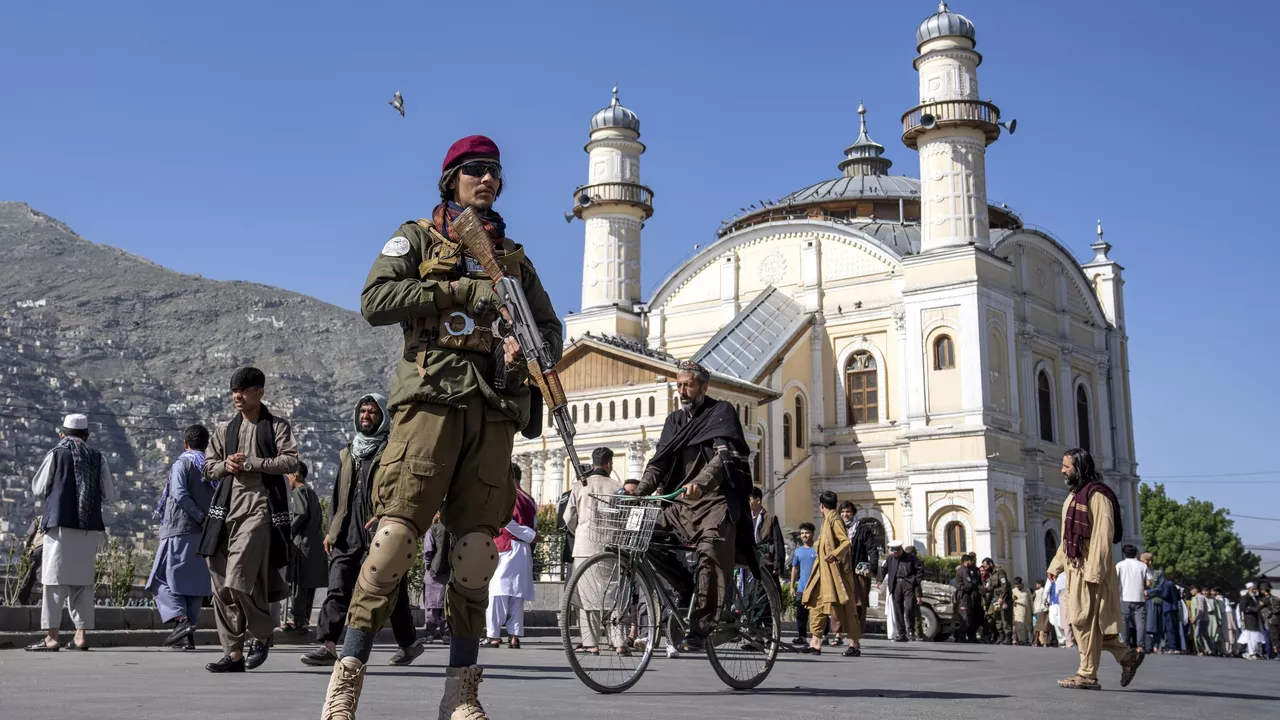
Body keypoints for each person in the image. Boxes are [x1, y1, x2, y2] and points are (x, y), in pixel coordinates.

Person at [320, 134, 561, 720]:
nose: (488, 180)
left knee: (477, 551)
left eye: (496, 173)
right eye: (475, 170)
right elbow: (375, 299)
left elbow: (551, 333)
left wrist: (521, 352)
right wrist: (459, 289)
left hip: (493, 409)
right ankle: (345, 682)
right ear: (450, 178)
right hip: (430, 401)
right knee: (395, 539)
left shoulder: (516, 261)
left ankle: (461, 693)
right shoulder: (419, 238)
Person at [631, 360, 753, 653]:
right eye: (679, 385)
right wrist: (640, 491)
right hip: (679, 505)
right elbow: (659, 463)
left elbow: (723, 458)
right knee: (642, 537)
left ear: (703, 387)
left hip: (715, 502)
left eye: (688, 385)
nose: (682, 391)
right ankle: (686, 588)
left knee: (710, 551)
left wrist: (701, 481)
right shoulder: (674, 421)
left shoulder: (720, 412)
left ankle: (701, 626)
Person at [302, 393, 423, 668]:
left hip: (380, 534)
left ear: (382, 418)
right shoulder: (349, 452)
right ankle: (328, 645)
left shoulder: (391, 452)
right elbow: (337, 496)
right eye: (363, 411)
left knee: (393, 594)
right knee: (338, 587)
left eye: (372, 412)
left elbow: (400, 490)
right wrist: (331, 531)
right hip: (346, 534)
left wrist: (385, 516)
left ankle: (409, 644)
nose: (366, 416)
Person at [200, 367, 300, 673]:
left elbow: (291, 460)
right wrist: (225, 466)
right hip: (225, 512)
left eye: (243, 391)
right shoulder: (223, 432)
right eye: (234, 391)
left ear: (260, 392)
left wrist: (255, 463)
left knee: (239, 578)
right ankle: (233, 653)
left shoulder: (277, 427)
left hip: (259, 509)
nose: (237, 397)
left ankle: (263, 632)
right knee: (221, 584)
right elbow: (207, 468)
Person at [1046, 447, 1143, 690]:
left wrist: (1094, 571)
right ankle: (1126, 657)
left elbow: (1102, 535)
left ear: (1079, 468)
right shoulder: (1073, 496)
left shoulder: (1097, 495)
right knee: (1088, 622)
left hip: (1090, 568)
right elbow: (1067, 539)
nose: (1062, 470)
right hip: (1074, 567)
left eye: (1066, 466)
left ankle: (1087, 674)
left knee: (1083, 620)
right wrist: (1056, 565)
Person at [25, 413, 116, 652]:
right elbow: (109, 494)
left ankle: (52, 636)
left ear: (61, 434)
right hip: (88, 530)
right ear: (87, 435)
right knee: (82, 584)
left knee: (54, 582)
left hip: (60, 528)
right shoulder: (97, 457)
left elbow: (38, 488)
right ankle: (80, 636)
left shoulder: (56, 453)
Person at [147, 424, 216, 651]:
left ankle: (181, 621)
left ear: (185, 443)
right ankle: (187, 637)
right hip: (203, 535)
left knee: (160, 579)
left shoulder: (183, 463)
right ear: (206, 445)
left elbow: (178, 493)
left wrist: (197, 516)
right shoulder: (210, 468)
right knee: (192, 585)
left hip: (179, 529)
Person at [564, 447, 623, 654]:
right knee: (613, 594)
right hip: (610, 545)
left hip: (584, 546)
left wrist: (579, 530)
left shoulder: (580, 485)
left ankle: (591, 643)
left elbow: (568, 518)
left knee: (587, 596)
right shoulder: (617, 487)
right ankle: (619, 642)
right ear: (608, 464)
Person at [485, 464, 537, 649]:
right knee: (516, 595)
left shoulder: (505, 497)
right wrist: (531, 538)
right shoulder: (529, 499)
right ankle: (514, 635)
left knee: (497, 593)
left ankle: (494, 635)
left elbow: (505, 520)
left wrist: (528, 534)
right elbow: (535, 523)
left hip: (506, 546)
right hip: (524, 550)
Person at [801, 491, 859, 657]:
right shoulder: (827, 521)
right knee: (816, 604)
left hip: (837, 574)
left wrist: (835, 554)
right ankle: (815, 643)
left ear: (821, 506)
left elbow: (846, 542)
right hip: (822, 573)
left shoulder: (835, 520)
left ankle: (854, 645)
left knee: (846, 608)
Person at [285, 462, 328, 632]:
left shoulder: (299, 492)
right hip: (314, 545)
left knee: (298, 584)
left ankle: (297, 620)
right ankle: (303, 621)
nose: (287, 479)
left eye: (288, 475)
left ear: (295, 475)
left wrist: (288, 531)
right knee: (309, 586)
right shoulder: (311, 492)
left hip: (302, 545)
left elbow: (300, 514)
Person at [844, 502, 879, 651]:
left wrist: (872, 567)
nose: (845, 515)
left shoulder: (863, 530)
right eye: (843, 512)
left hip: (858, 574)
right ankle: (850, 639)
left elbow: (872, 549)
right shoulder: (837, 529)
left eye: (848, 512)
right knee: (845, 608)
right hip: (843, 574)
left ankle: (854, 642)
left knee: (857, 607)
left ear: (853, 513)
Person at [881, 540, 923, 643]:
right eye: (893, 552)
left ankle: (911, 631)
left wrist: (914, 581)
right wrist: (879, 580)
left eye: (897, 552)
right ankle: (901, 633)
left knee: (909, 608)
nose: (895, 554)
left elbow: (920, 571)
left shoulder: (911, 558)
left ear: (901, 549)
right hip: (895, 585)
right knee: (897, 610)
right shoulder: (890, 559)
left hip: (907, 584)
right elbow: (883, 570)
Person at [421, 515, 452, 644]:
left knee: (431, 605)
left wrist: (427, 565)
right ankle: (446, 634)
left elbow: (428, 550)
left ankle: (429, 633)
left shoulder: (432, 530)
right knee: (445, 605)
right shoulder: (453, 530)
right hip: (448, 571)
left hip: (433, 572)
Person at [1114, 544, 1149, 652]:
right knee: (1140, 622)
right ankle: (1140, 646)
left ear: (1124, 553)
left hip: (1124, 596)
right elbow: (1148, 582)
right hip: (1139, 597)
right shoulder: (1142, 566)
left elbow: (1115, 580)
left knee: (1124, 621)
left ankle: (1124, 644)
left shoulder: (1120, 565)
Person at [788, 523, 817, 646]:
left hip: (816, 588)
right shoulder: (798, 551)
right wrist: (792, 586)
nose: (804, 535)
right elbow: (794, 568)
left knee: (818, 614)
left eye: (807, 532)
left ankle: (821, 636)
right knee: (801, 615)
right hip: (802, 588)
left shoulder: (817, 549)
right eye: (802, 533)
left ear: (812, 534)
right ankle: (802, 636)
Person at [750, 487, 787, 580]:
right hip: (750, 565)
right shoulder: (747, 519)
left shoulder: (770, 518)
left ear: (758, 500)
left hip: (767, 564)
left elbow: (778, 542)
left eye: (749, 499)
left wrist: (777, 565)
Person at [982, 558, 1012, 645]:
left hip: (1003, 598)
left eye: (986, 566)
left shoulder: (1000, 571)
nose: (985, 568)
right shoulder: (991, 574)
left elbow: (1005, 586)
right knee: (997, 617)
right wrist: (985, 589)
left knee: (1005, 617)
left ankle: (1008, 637)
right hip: (995, 598)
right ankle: (1001, 636)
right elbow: (992, 587)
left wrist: (1002, 598)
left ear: (990, 563)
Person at [953, 554, 982, 643]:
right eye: (970, 560)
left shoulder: (965, 569)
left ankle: (970, 636)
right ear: (966, 561)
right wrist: (976, 585)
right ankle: (961, 636)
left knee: (970, 615)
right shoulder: (964, 570)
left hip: (966, 595)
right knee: (965, 616)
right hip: (964, 595)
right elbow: (968, 584)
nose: (971, 562)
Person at [15, 517, 44, 606]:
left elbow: (29, 536)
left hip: (38, 548)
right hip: (52, 549)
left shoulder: (39, 518)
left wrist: (25, 553)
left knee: (28, 578)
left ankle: (20, 601)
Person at [1239, 583, 1265, 659]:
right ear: (1249, 589)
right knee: (1251, 637)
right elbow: (1242, 608)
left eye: (1255, 588)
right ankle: (1251, 652)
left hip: (1257, 619)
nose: (1254, 590)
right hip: (1250, 619)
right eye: (1253, 588)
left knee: (1257, 637)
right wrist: (1253, 609)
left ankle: (1257, 652)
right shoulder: (1245, 597)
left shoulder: (1256, 597)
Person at [1012, 577, 1032, 646]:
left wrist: (1033, 612)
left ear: (1021, 583)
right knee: (1019, 626)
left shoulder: (1027, 590)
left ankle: (1025, 640)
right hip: (1017, 611)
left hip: (1026, 611)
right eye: (1016, 585)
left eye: (1018, 585)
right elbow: (1011, 601)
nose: (1017, 587)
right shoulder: (1014, 591)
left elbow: (1030, 602)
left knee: (1026, 626)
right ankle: (1021, 640)